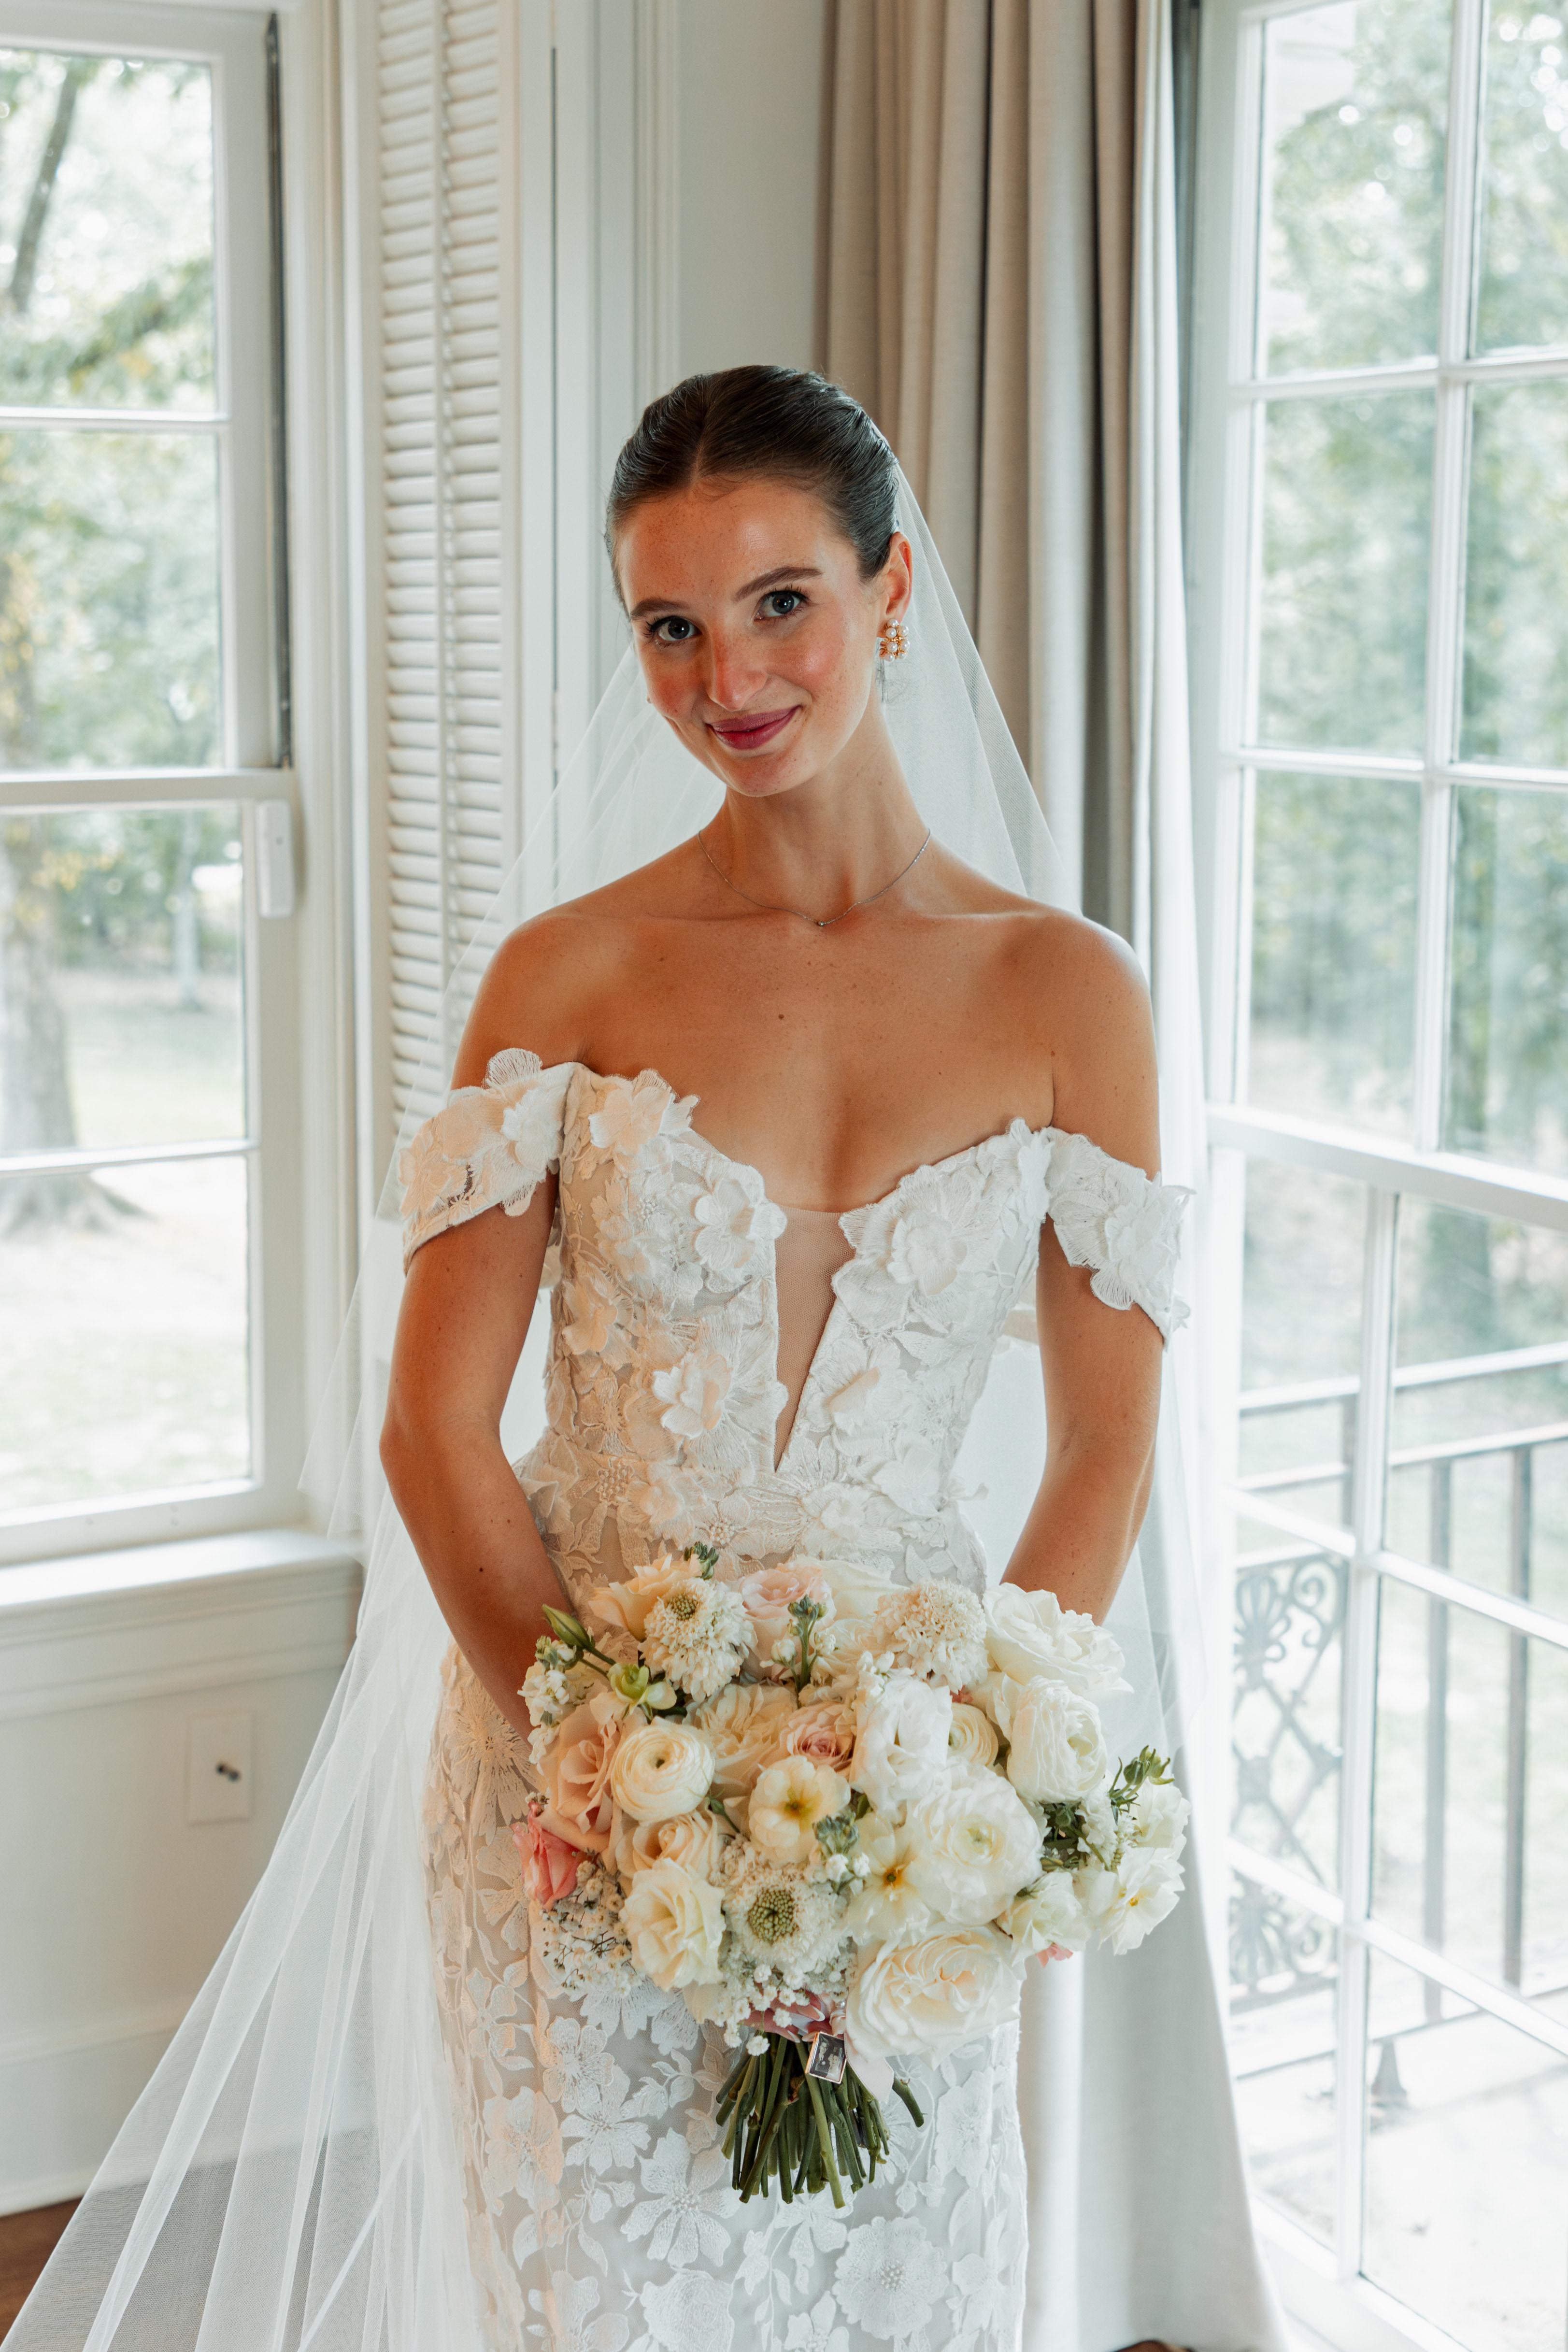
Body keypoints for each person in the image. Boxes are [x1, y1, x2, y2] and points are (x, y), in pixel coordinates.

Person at [12, 368, 1286, 2352]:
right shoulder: (568, 974)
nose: (728, 678)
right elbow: (433, 1429)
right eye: (669, 627)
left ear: (890, 589)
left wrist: (960, 1775)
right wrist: (612, 1781)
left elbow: (1101, 1450)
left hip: (909, 1803)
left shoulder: (1066, 992)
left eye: (780, 603)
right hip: (573, 1780)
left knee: (903, 2292)